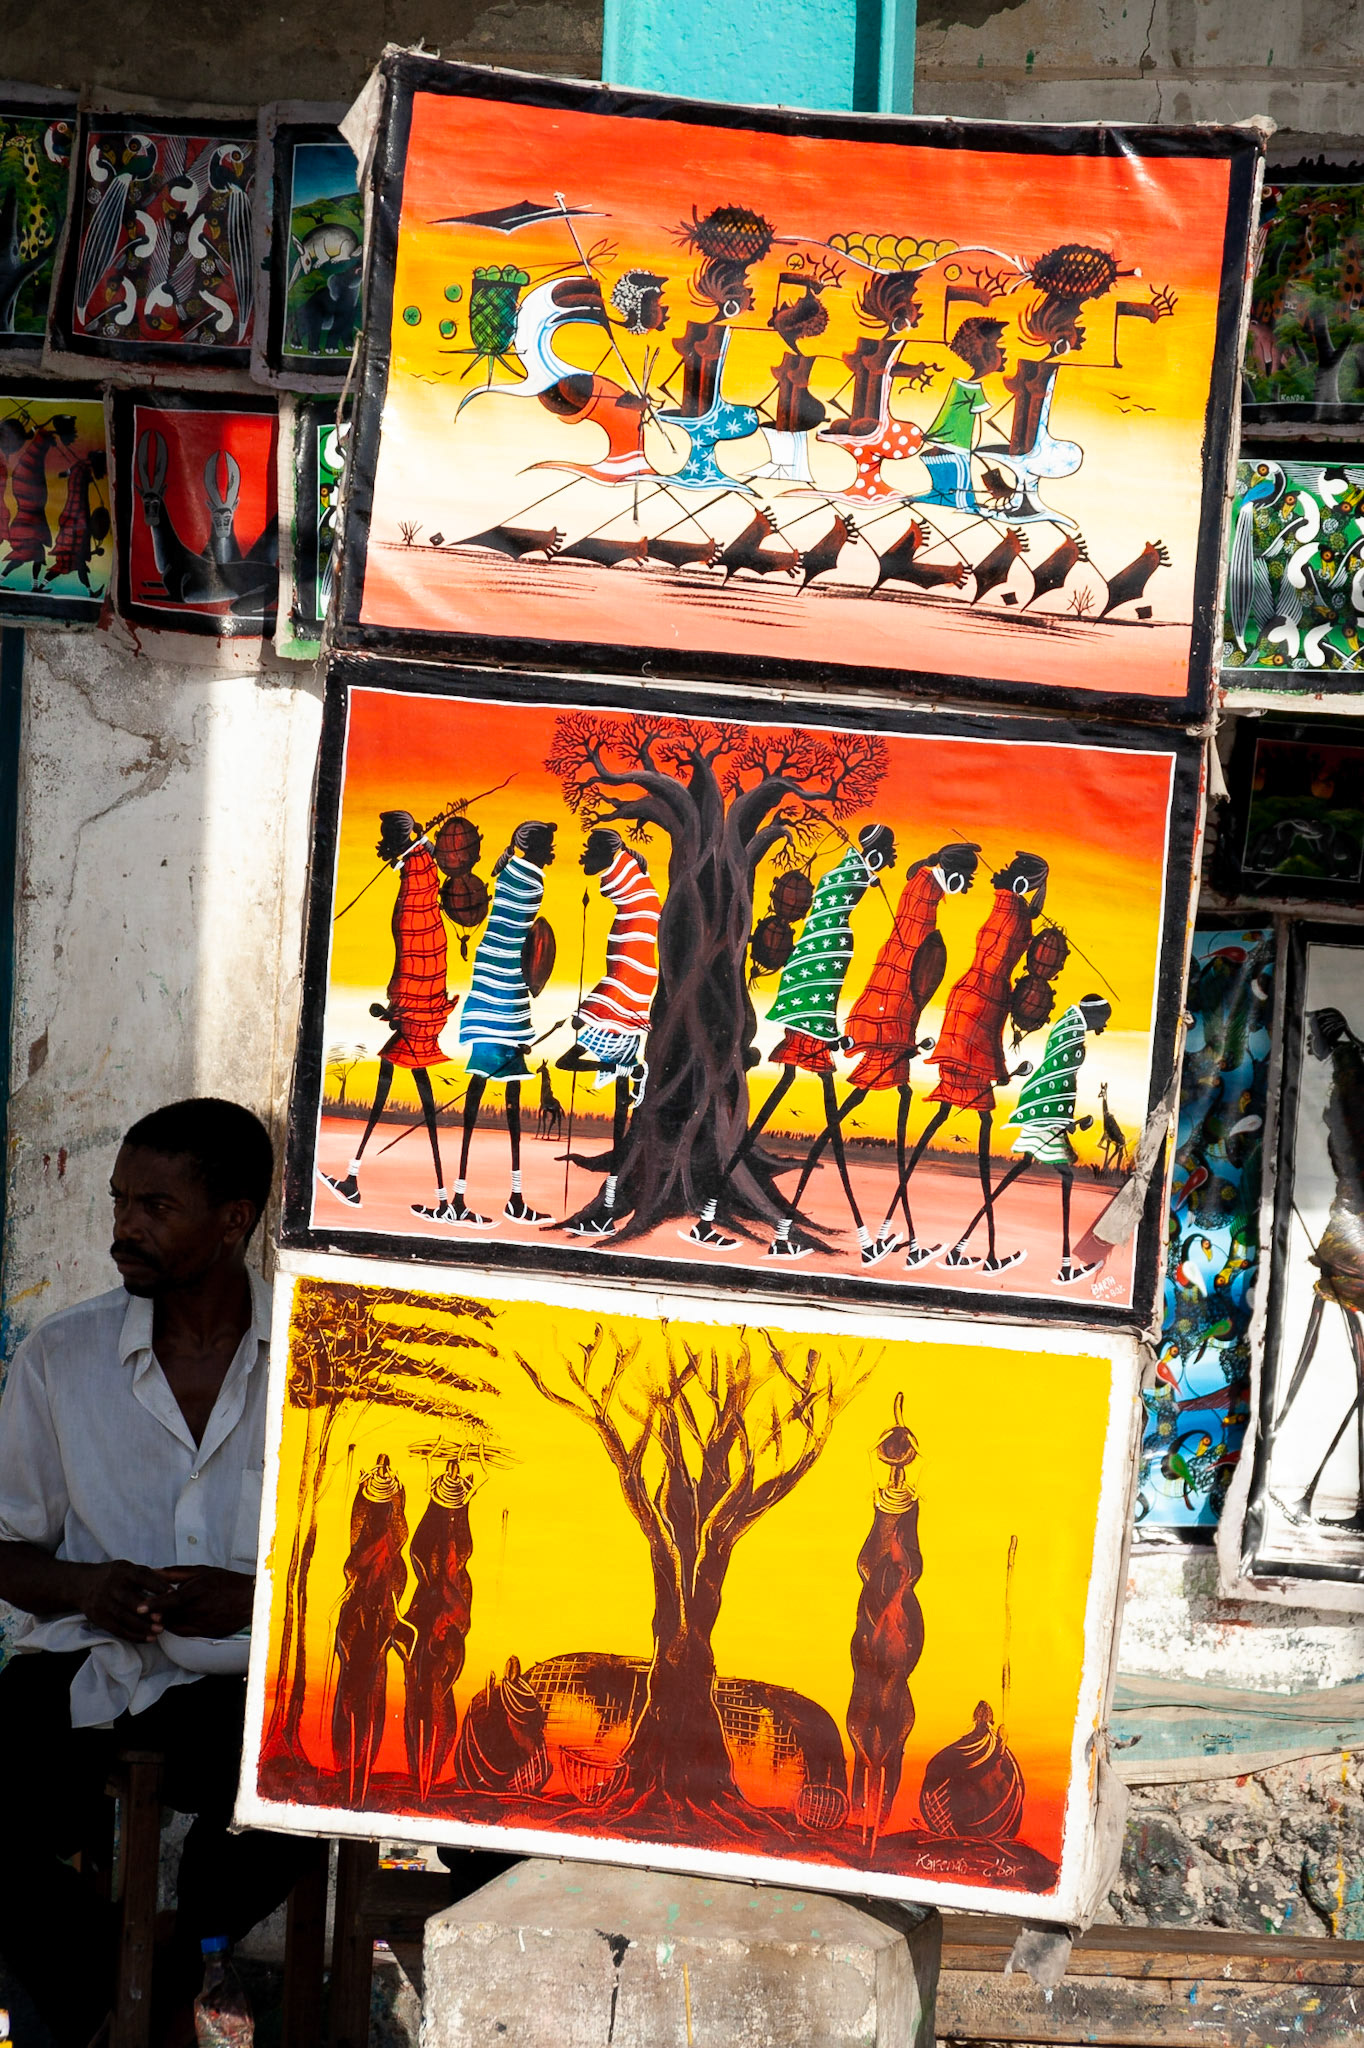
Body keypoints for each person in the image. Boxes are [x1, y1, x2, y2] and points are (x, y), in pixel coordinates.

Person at [0, 1098, 313, 2047]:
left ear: (235, 1219)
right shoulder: (63, 1354)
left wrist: (249, 1599)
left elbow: (366, 1575)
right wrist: (88, 1589)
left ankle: (183, 1952)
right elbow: (8, 1548)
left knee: (305, 1779)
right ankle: (112, 1986)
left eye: (156, 1207)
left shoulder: (315, 1356)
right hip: (92, 1662)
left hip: (249, 1681)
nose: (125, 1229)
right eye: (118, 1202)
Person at [319, 808, 459, 1219]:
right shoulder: (419, 864)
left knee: (410, 1089)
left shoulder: (417, 873)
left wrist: (398, 1007)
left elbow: (416, 945)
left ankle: (441, 1198)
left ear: (398, 840)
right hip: (421, 997)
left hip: (420, 996)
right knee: (397, 1080)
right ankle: (360, 1179)